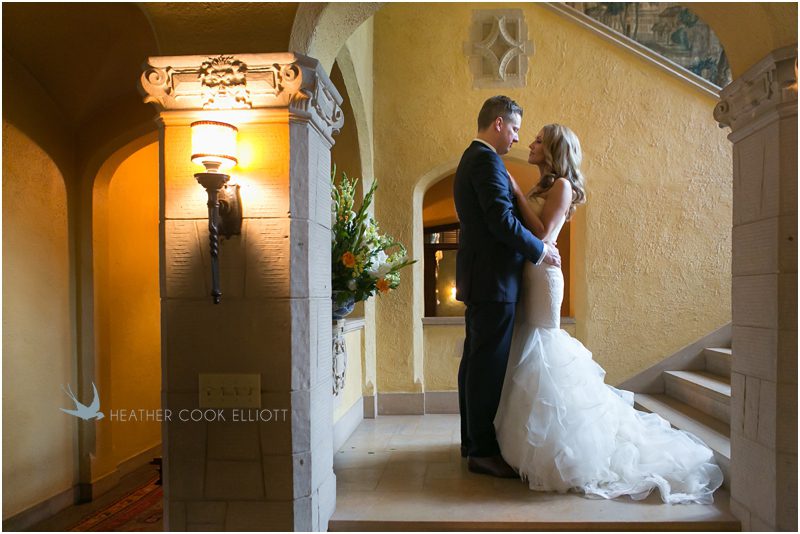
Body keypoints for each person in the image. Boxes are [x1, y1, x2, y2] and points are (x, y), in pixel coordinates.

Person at [494, 124, 724, 503]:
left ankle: (562, 451)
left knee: (544, 347)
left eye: (538, 140)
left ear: (553, 148)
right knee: (527, 347)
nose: (530, 143)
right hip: (529, 273)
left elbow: (545, 236)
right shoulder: (543, 186)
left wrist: (517, 194)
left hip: (544, 275)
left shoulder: (562, 186)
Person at [454, 96, 561, 478]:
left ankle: (471, 441)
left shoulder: (473, 158)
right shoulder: (485, 161)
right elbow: (501, 221)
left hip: (483, 278)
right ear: (498, 123)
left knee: (475, 362)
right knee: (486, 366)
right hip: (493, 280)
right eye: (514, 128)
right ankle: (482, 451)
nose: (516, 137)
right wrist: (540, 251)